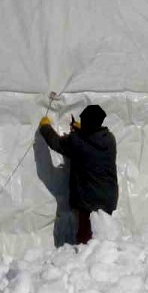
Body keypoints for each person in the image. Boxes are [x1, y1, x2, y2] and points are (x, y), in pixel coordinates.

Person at [39, 104, 118, 245]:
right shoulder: (109, 140)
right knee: (103, 236)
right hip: (108, 198)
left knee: (85, 239)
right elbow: (91, 138)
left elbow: (56, 143)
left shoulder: (77, 142)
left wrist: (45, 127)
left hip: (88, 200)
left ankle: (85, 258)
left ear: (86, 123)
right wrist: (80, 129)